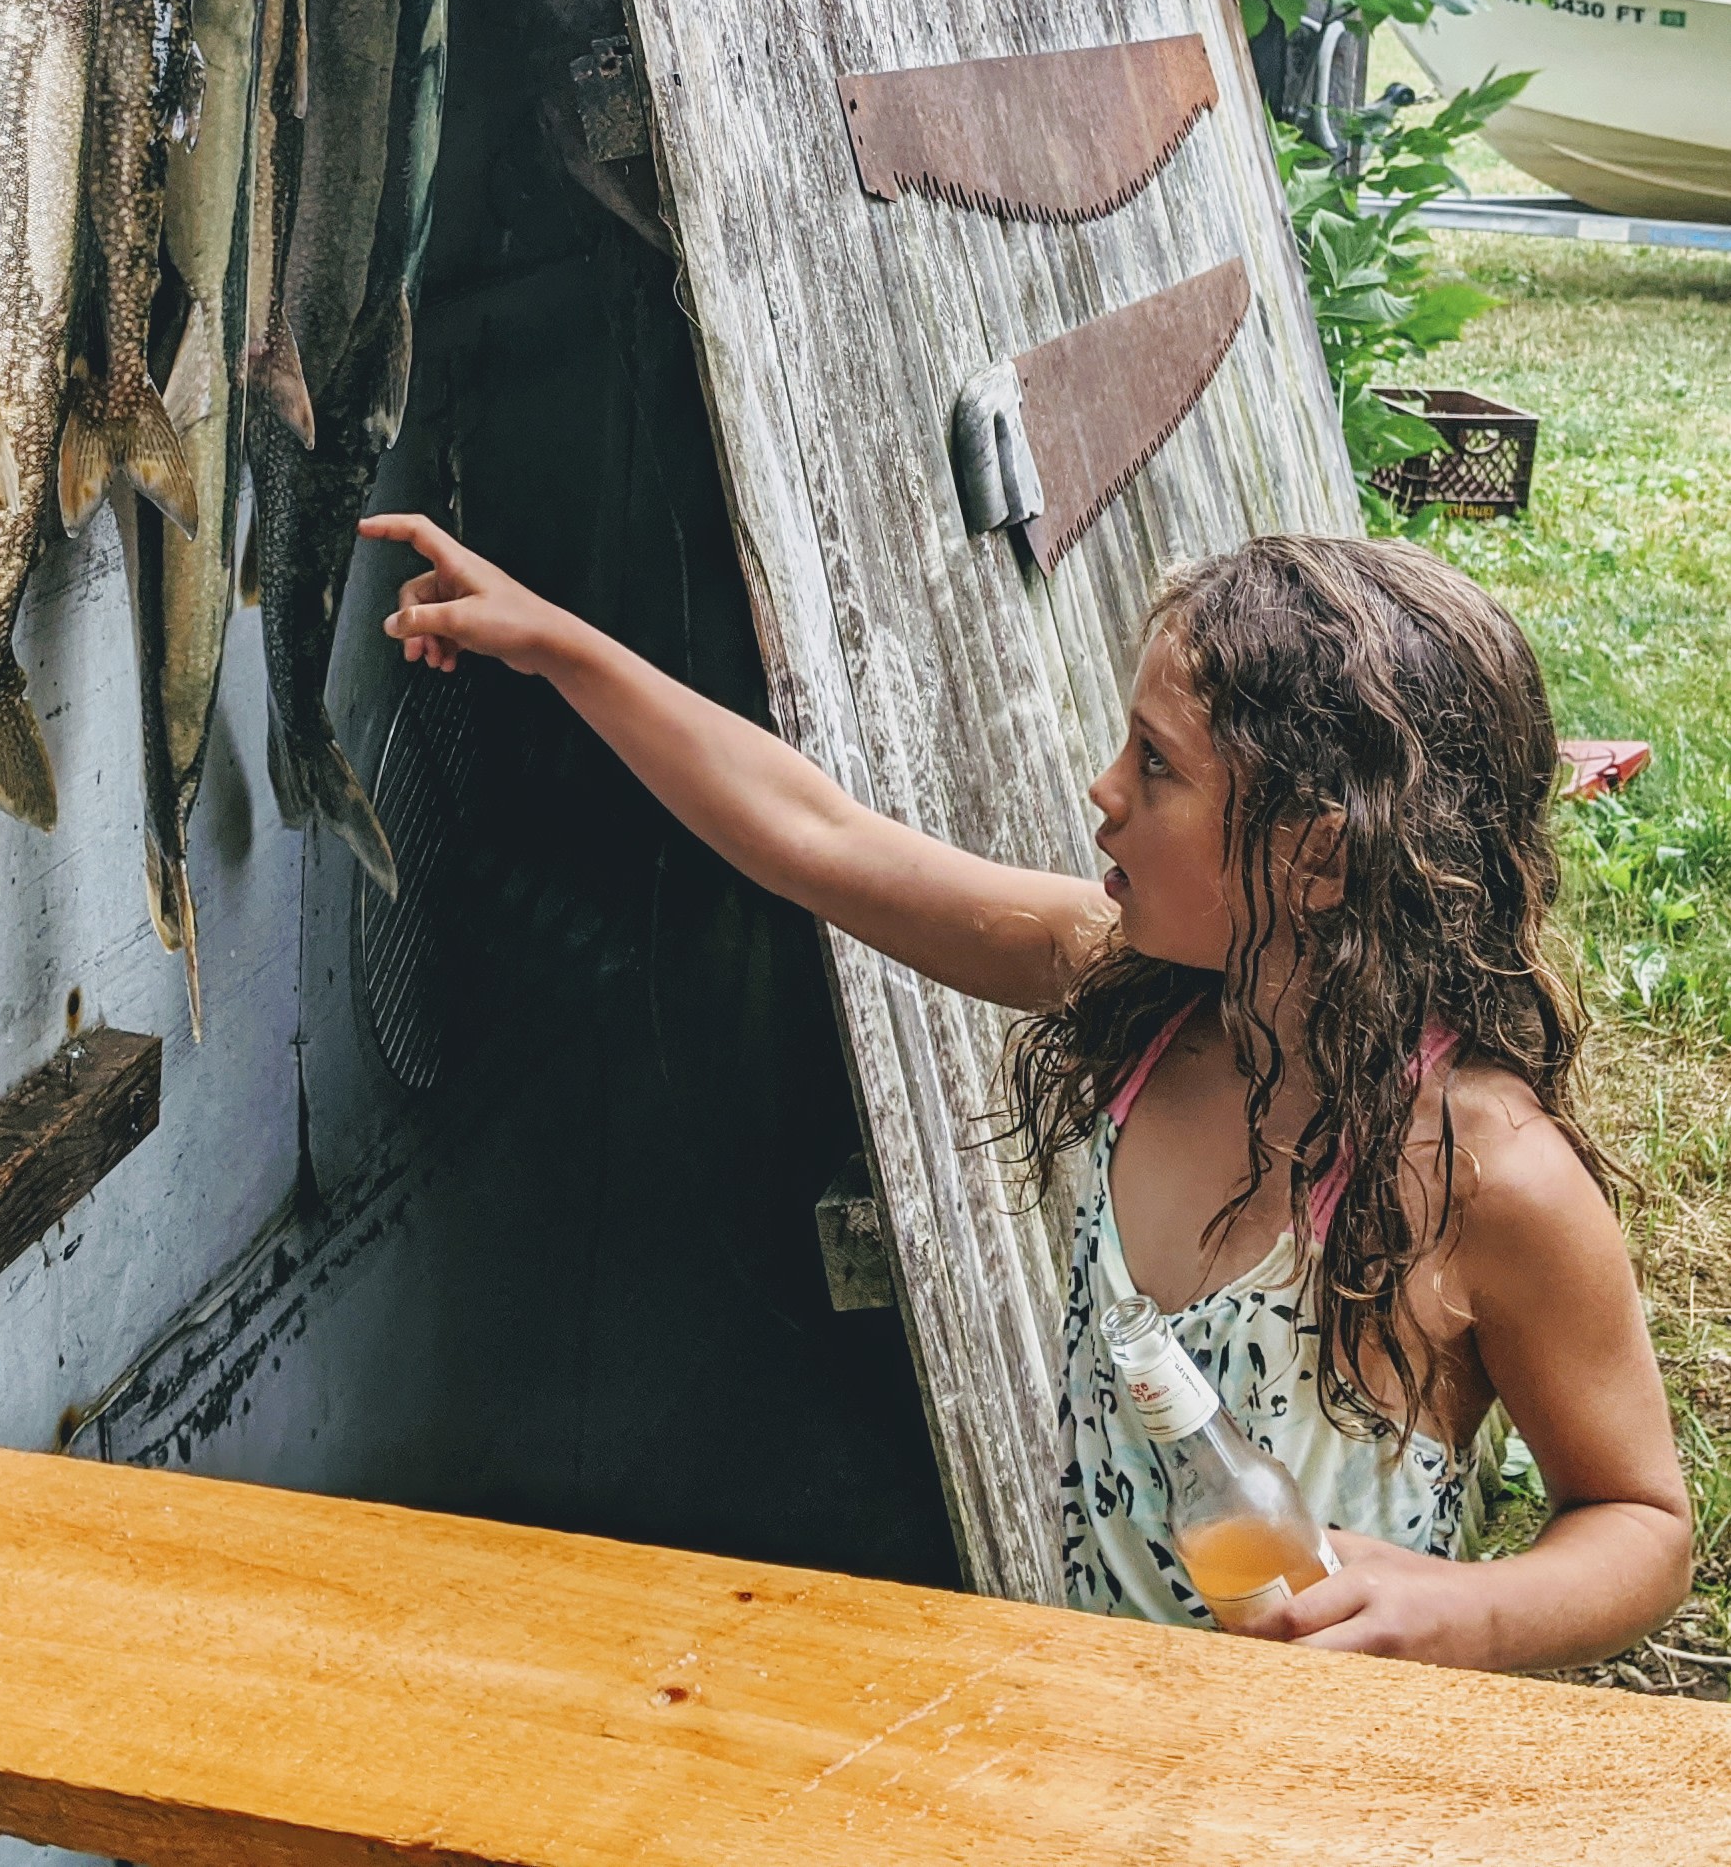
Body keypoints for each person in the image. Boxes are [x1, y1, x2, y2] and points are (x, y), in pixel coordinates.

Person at [362, 511, 1692, 1669]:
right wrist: (556, 643)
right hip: (1097, 1738)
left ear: (1319, 861)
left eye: (1158, 766)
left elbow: (1642, 1523)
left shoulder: (1487, 1179)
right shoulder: (1139, 1003)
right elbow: (820, 840)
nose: (1103, 793)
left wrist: (1471, 1611)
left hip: (1327, 1795)